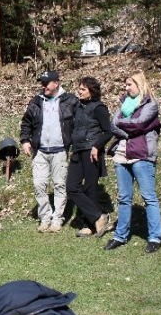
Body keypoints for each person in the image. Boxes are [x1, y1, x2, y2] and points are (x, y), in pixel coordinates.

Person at [104, 71, 161, 253]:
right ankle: (120, 235)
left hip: (142, 154)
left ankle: (155, 237)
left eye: (130, 84)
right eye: (126, 85)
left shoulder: (150, 104)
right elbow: (112, 124)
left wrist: (124, 124)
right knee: (123, 197)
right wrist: (127, 129)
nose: (126, 88)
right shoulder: (124, 104)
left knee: (149, 197)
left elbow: (139, 123)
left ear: (140, 85)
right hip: (121, 154)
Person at [20, 70, 78, 233]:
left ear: (56, 83)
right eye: (42, 83)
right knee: (39, 185)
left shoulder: (70, 101)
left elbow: (79, 123)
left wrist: (76, 143)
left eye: (46, 83)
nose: (43, 86)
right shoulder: (36, 102)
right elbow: (26, 123)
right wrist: (25, 140)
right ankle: (45, 217)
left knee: (60, 185)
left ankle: (57, 219)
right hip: (40, 151)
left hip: (60, 150)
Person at [67, 76, 113, 238]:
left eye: (83, 89)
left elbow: (108, 131)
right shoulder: (78, 107)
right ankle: (98, 216)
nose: (79, 91)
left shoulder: (99, 108)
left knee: (90, 188)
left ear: (92, 91)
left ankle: (89, 225)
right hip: (78, 150)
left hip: (92, 151)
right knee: (72, 186)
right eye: (79, 88)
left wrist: (96, 146)